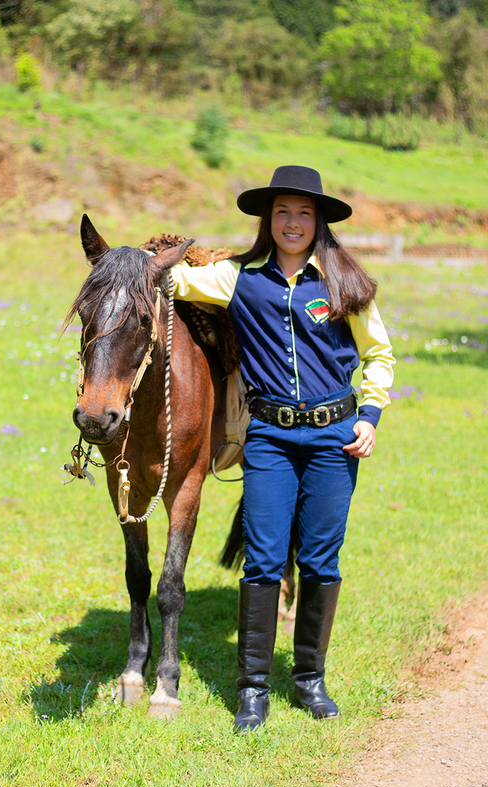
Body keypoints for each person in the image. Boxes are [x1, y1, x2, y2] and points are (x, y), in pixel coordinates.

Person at [166, 165, 395, 733]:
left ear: (318, 222)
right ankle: (252, 690)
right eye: (283, 212)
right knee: (264, 559)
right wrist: (154, 256)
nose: (292, 222)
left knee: (320, 559)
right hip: (268, 437)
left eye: (303, 213)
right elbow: (170, 283)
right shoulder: (236, 278)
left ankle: (310, 680)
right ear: (268, 220)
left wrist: (369, 415)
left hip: (333, 439)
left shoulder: (345, 282)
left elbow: (379, 356)